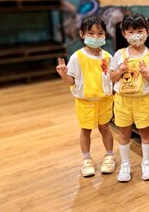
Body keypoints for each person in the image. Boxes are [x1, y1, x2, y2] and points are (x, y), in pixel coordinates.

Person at [56, 16, 115, 177]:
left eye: (100, 33)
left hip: (104, 100)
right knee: (86, 129)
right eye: (91, 33)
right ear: (82, 34)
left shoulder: (108, 57)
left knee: (105, 128)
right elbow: (71, 81)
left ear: (104, 35)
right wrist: (63, 74)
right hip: (85, 101)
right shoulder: (77, 57)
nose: (96, 37)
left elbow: (111, 77)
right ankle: (86, 159)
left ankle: (110, 155)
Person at [110, 13, 149, 182]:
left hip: (143, 100)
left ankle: (146, 162)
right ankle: (125, 165)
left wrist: (147, 74)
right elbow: (111, 77)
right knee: (124, 133)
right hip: (123, 100)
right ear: (124, 33)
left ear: (147, 32)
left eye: (139, 30)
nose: (135, 35)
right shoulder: (119, 54)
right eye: (131, 32)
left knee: (145, 132)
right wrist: (120, 71)